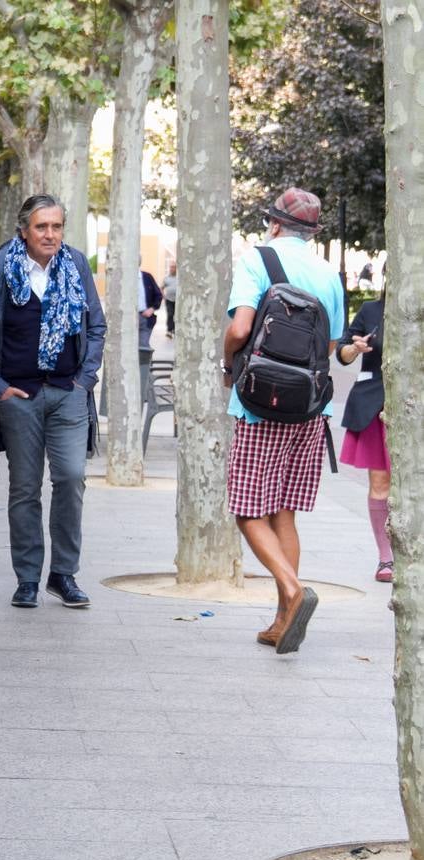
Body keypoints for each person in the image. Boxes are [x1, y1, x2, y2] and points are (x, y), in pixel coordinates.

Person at [0, 194, 106, 611]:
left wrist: (85, 379)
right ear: (24, 229)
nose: (50, 234)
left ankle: (63, 574)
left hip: (68, 393)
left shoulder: (76, 267)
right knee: (24, 489)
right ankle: (27, 578)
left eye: (57, 226)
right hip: (18, 397)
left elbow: (96, 326)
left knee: (72, 478)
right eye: (42, 227)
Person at [221, 187, 344, 653]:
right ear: (312, 232)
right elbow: (330, 348)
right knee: (283, 511)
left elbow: (238, 330)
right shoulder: (328, 273)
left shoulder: (258, 259)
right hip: (310, 410)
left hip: (259, 406)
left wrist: (226, 363)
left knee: (249, 510)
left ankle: (293, 592)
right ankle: (281, 620)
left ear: (274, 224)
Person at [336, 294, 391, 582]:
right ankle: (386, 558)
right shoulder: (371, 310)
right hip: (376, 405)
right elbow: (342, 352)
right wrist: (355, 349)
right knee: (380, 481)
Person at [139, 265, 163, 348]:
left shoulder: (147, 277)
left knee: (143, 347)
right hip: (127, 318)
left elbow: (158, 295)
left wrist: (152, 309)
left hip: (144, 317)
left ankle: (144, 361)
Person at [161, 260, 178, 339]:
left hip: (178, 300)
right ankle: (169, 330)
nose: (172, 269)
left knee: (176, 316)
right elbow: (161, 288)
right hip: (169, 300)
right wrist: (163, 296)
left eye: (174, 267)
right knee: (170, 314)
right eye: (171, 267)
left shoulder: (179, 278)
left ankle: (174, 329)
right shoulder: (166, 278)